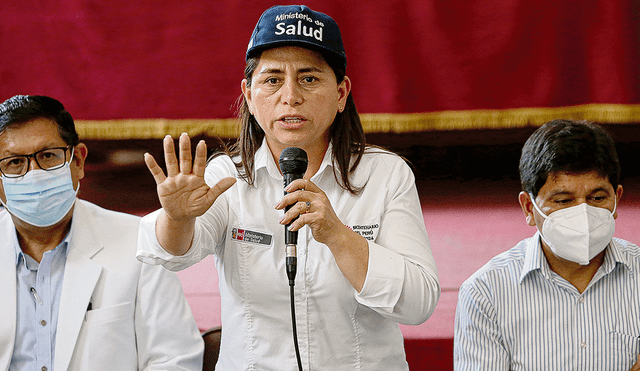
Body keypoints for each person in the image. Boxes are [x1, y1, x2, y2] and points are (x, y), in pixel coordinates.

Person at [136, 4, 440, 370]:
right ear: (248, 94)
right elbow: (171, 256)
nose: (291, 95)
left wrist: (337, 235)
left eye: (309, 79)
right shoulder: (227, 177)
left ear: (341, 93)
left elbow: (419, 303)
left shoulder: (385, 175)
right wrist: (177, 218)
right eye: (273, 79)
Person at [0, 95, 203, 371]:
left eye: (48, 156)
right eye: (14, 163)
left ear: (79, 161)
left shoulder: (140, 243)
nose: (34, 174)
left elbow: (175, 360)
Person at [454, 119, 640, 370]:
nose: (582, 213)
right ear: (529, 208)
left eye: (597, 198)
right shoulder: (486, 293)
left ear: (617, 199)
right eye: (563, 200)